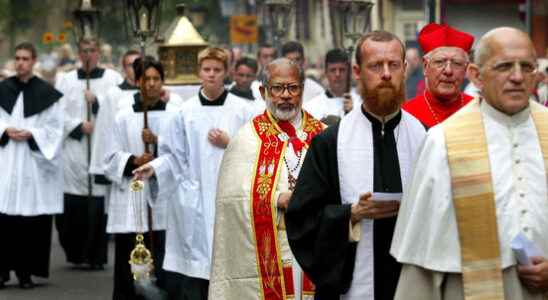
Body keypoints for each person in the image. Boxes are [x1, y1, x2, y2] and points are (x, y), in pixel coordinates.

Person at [391, 27, 548, 299]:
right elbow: (420, 266)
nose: (517, 77)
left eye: (527, 67)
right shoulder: (442, 142)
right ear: (476, 75)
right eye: (504, 67)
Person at [285, 30, 427, 299]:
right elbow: (301, 220)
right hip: (351, 287)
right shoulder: (330, 142)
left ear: (405, 69)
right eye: (375, 65)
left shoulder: (426, 138)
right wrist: (350, 214)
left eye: (393, 65)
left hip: (411, 284)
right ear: (358, 71)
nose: (386, 74)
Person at [132, 47, 255, 300]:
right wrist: (153, 167)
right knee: (196, 271)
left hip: (228, 198)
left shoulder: (243, 110)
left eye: (217, 70)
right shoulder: (183, 112)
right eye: (207, 70)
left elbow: (256, 152)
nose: (211, 75)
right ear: (199, 72)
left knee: (229, 265)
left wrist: (230, 142)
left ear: (227, 72)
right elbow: (173, 156)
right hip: (194, 201)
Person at [208, 57, 324, 299]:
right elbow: (231, 201)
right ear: (263, 91)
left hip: (316, 247)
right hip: (275, 250)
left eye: (292, 88)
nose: (285, 95)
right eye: (277, 88)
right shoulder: (247, 139)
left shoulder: (322, 135)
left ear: (302, 90)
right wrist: (276, 199)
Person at [104, 57, 183, 300]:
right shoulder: (123, 116)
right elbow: (108, 158)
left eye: (156, 79)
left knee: (162, 256)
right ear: (137, 81)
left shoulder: (174, 115)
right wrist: (134, 160)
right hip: (132, 198)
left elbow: (182, 155)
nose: (151, 84)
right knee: (131, 259)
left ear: (162, 82)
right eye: (146, 79)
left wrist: (158, 143)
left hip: (163, 202)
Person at [55, 37, 123, 270]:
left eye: (92, 51)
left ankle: (96, 255)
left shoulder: (112, 79)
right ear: (78, 53)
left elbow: (121, 108)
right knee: (74, 200)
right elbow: (57, 113)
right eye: (84, 51)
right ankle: (75, 253)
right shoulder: (65, 80)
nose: (88, 55)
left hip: (100, 147)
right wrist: (77, 125)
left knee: (98, 201)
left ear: (98, 54)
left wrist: (97, 102)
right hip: (74, 149)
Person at [0, 42, 64, 289]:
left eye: (25, 58)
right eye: (17, 58)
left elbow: (55, 128)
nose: (20, 63)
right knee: (4, 218)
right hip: (6, 162)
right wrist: (5, 130)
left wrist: (32, 134)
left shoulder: (46, 93)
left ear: (34, 61)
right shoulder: (3, 89)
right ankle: (2, 272)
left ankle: (26, 273)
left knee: (29, 220)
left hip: (31, 164)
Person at [402, 23, 475, 128]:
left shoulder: (477, 110)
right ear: (425, 67)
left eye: (457, 63)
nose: (448, 71)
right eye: (440, 62)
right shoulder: (406, 114)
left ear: (465, 70)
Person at [89, 49, 141, 186]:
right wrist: (100, 166)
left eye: (139, 64)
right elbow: (104, 129)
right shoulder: (114, 94)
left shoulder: (153, 92)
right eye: (131, 65)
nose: (136, 68)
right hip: (122, 159)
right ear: (124, 69)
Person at [304, 48, 358, 122]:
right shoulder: (311, 108)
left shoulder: (361, 103)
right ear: (326, 72)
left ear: (349, 72)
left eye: (342, 70)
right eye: (333, 70)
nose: (337, 74)